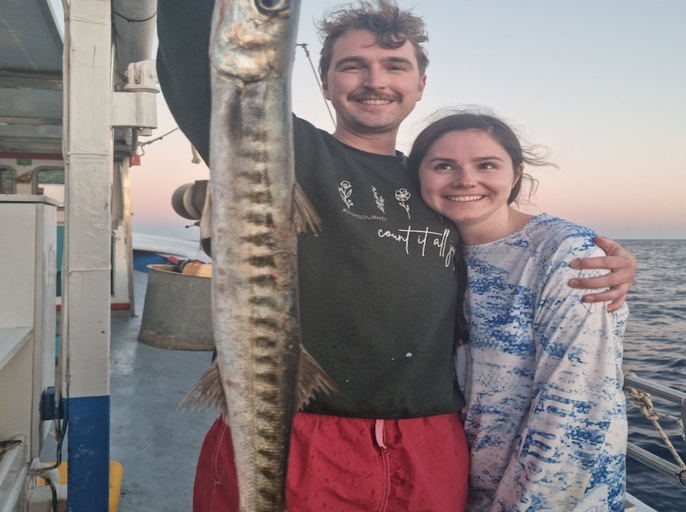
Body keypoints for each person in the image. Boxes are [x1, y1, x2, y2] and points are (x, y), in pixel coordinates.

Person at [155, 1, 636, 510]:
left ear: (421, 84)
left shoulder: (438, 185)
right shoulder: (287, 151)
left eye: (395, 65)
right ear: (323, 83)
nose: (374, 80)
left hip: (429, 445)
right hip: (295, 433)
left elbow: (510, 253)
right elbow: (195, 59)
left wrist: (597, 260)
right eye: (352, 65)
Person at [409, 111, 628, 511]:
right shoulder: (430, 250)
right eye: (443, 166)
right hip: (461, 488)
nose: (465, 180)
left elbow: (574, 411)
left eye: (486, 165)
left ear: (516, 173)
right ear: (419, 175)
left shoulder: (566, 255)